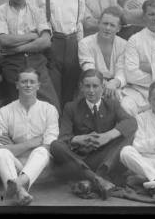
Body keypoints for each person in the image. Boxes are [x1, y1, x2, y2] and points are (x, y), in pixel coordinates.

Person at [50, 69, 137, 199]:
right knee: (55, 145)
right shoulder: (71, 107)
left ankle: (94, 177)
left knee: (128, 135)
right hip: (79, 159)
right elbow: (63, 138)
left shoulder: (112, 105)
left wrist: (107, 136)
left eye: (95, 86)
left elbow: (131, 122)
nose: (91, 90)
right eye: (87, 86)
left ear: (102, 87)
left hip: (104, 159)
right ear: (81, 87)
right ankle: (96, 178)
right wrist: (78, 139)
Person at [0, 0, 60, 112]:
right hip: (13, 65)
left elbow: (46, 42)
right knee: (20, 109)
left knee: (51, 106)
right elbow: (4, 40)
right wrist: (32, 36)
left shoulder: (37, 11)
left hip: (37, 62)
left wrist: (17, 48)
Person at [0, 68, 59, 205]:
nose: (28, 85)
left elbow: (48, 146)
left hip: (41, 169)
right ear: (17, 84)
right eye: (24, 82)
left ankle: (16, 185)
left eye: (32, 82)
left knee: (41, 151)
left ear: (38, 85)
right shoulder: (5, 112)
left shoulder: (49, 110)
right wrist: (31, 143)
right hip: (14, 166)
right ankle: (20, 191)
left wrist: (13, 146)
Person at [78, 7, 127, 103]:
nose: (107, 28)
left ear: (118, 28)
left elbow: (122, 70)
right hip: (92, 86)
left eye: (112, 25)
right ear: (99, 23)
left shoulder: (124, 45)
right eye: (105, 23)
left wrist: (114, 83)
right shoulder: (85, 43)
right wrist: (105, 85)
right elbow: (89, 69)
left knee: (123, 104)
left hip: (117, 86)